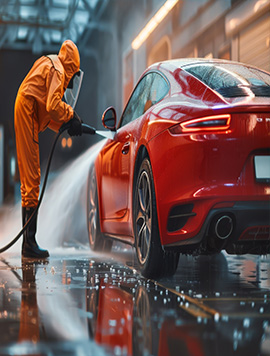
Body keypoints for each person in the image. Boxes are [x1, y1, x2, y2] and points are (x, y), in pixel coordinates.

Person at [14, 39, 82, 258]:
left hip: (28, 110)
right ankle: (29, 243)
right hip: (27, 112)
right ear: (72, 66)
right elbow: (53, 106)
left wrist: (66, 125)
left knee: (30, 180)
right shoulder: (59, 70)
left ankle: (28, 242)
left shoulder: (52, 63)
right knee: (33, 179)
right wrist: (71, 115)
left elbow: (48, 109)